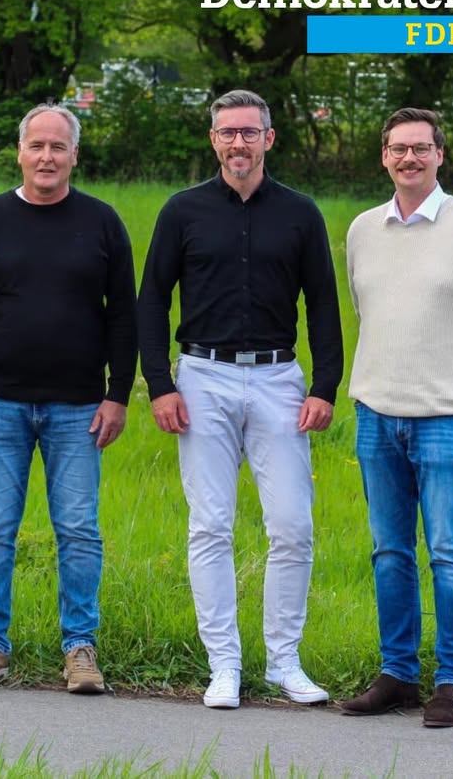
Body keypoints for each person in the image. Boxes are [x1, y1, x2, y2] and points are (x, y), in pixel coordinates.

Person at [138, 89, 344, 709]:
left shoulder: (301, 214)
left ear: (268, 139)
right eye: (227, 132)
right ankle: (223, 665)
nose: (238, 143)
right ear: (213, 140)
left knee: (293, 526)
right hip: (203, 377)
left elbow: (323, 302)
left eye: (249, 132)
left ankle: (284, 662)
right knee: (210, 526)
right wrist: (160, 384)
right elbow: (152, 299)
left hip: (279, 379)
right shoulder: (183, 211)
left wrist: (325, 386)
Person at [0, 103, 137, 693]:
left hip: (79, 407)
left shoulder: (103, 223)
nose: (47, 157)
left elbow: (124, 317)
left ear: (74, 155)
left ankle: (80, 647)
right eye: (37, 146)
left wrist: (117, 395)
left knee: (79, 530)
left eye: (58, 147)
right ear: (20, 152)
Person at [342, 108, 453, 728]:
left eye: (420, 147)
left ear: (440, 154)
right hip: (376, 415)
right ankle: (397, 676)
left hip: (447, 419)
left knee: (448, 552)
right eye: (398, 148)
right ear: (384, 157)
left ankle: (452, 682)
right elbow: (367, 309)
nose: (408, 158)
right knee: (389, 551)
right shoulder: (363, 230)